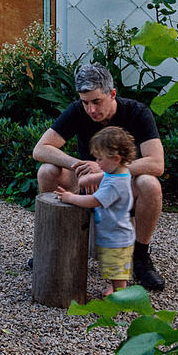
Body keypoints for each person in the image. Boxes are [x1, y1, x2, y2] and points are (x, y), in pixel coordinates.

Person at [32, 64, 165, 291]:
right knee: (47, 170)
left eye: (96, 102)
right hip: (87, 183)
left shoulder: (137, 112)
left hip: (122, 184)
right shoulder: (77, 111)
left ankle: (141, 257)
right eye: (85, 103)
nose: (91, 110)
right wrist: (77, 164)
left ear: (112, 94)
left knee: (150, 183)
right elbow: (40, 149)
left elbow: (156, 163)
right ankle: (53, 246)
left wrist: (107, 171)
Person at [54, 125, 136, 294]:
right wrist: (86, 180)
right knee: (114, 266)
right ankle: (116, 288)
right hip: (113, 231)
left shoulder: (115, 184)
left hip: (117, 235)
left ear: (116, 159)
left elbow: (93, 201)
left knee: (117, 268)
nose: (97, 163)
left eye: (100, 159)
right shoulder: (119, 172)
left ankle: (120, 296)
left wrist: (70, 197)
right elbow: (101, 176)